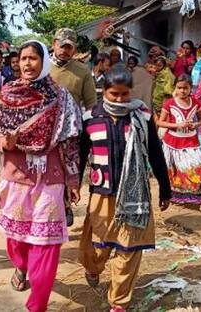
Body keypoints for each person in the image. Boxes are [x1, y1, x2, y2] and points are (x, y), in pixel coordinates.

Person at [0, 40, 81, 312]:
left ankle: (37, 304)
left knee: (46, 241)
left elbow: (70, 142)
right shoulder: (7, 94)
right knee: (17, 241)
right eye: (23, 58)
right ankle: (21, 267)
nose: (27, 63)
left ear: (44, 62)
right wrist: (4, 143)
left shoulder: (61, 97)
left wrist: (73, 180)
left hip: (51, 177)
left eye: (33, 58)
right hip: (17, 176)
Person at [78, 67, 171, 312]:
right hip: (102, 193)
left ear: (131, 92)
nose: (119, 100)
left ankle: (118, 302)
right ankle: (93, 268)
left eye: (124, 94)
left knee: (128, 249)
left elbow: (155, 153)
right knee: (97, 247)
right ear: (104, 92)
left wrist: (165, 188)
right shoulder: (91, 117)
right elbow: (80, 155)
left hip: (135, 195)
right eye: (113, 94)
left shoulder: (142, 116)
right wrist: (73, 186)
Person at [50, 27, 96, 227]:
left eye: (69, 47)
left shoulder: (82, 70)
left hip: (72, 132)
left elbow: (91, 103)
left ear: (74, 48)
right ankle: (51, 210)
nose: (64, 50)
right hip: (46, 131)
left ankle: (66, 204)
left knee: (70, 169)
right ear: (54, 44)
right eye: (62, 46)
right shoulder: (42, 67)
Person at [156, 75, 201, 211]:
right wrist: (177, 125)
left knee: (197, 167)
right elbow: (159, 122)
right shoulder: (169, 103)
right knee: (177, 171)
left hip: (191, 141)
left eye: (185, 88)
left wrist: (195, 124)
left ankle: (200, 198)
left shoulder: (195, 102)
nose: (182, 91)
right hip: (173, 142)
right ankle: (178, 196)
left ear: (190, 88)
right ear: (175, 88)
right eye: (179, 88)